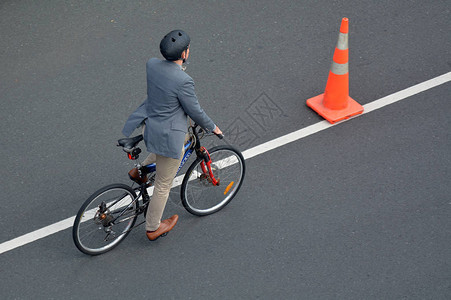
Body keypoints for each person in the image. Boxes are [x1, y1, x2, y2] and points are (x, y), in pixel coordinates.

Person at [122, 30, 222, 241]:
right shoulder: (184, 80)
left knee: (181, 141)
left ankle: (140, 171)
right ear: (184, 54)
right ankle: (153, 227)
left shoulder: (152, 65)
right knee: (163, 185)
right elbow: (194, 111)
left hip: (150, 127)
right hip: (167, 136)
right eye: (188, 49)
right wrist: (213, 127)